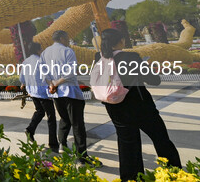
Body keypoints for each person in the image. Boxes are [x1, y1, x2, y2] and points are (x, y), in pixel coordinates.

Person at [96, 28, 181, 180]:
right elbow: (154, 80)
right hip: (140, 107)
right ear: (121, 40)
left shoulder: (99, 57)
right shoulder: (131, 57)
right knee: (161, 139)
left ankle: (131, 178)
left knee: (127, 145)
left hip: (114, 108)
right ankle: (174, 173)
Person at [41, 30, 98, 166]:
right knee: (78, 124)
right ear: (62, 38)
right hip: (70, 92)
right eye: (67, 38)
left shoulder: (45, 53)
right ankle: (82, 156)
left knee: (64, 119)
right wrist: (57, 83)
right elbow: (71, 71)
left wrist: (51, 85)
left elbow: (43, 73)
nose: (68, 40)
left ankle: (62, 145)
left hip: (56, 93)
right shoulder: (67, 51)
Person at [19, 42, 59, 152]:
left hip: (32, 92)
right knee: (51, 117)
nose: (42, 50)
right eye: (41, 49)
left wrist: (24, 84)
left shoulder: (26, 61)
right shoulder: (40, 61)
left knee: (40, 111)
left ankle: (30, 130)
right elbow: (47, 77)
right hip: (43, 93)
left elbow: (22, 77)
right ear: (37, 50)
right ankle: (53, 143)